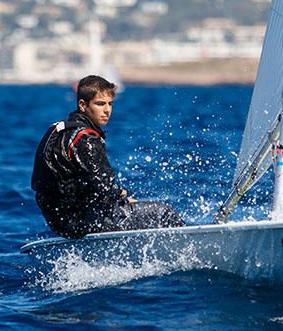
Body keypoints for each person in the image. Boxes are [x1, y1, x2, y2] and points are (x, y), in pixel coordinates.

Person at [31, 74, 185, 238]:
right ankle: (189, 247)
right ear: (83, 105)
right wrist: (121, 199)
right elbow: (102, 186)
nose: (107, 110)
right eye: (100, 104)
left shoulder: (60, 129)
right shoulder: (85, 140)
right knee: (162, 212)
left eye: (110, 104)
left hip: (60, 221)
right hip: (81, 221)